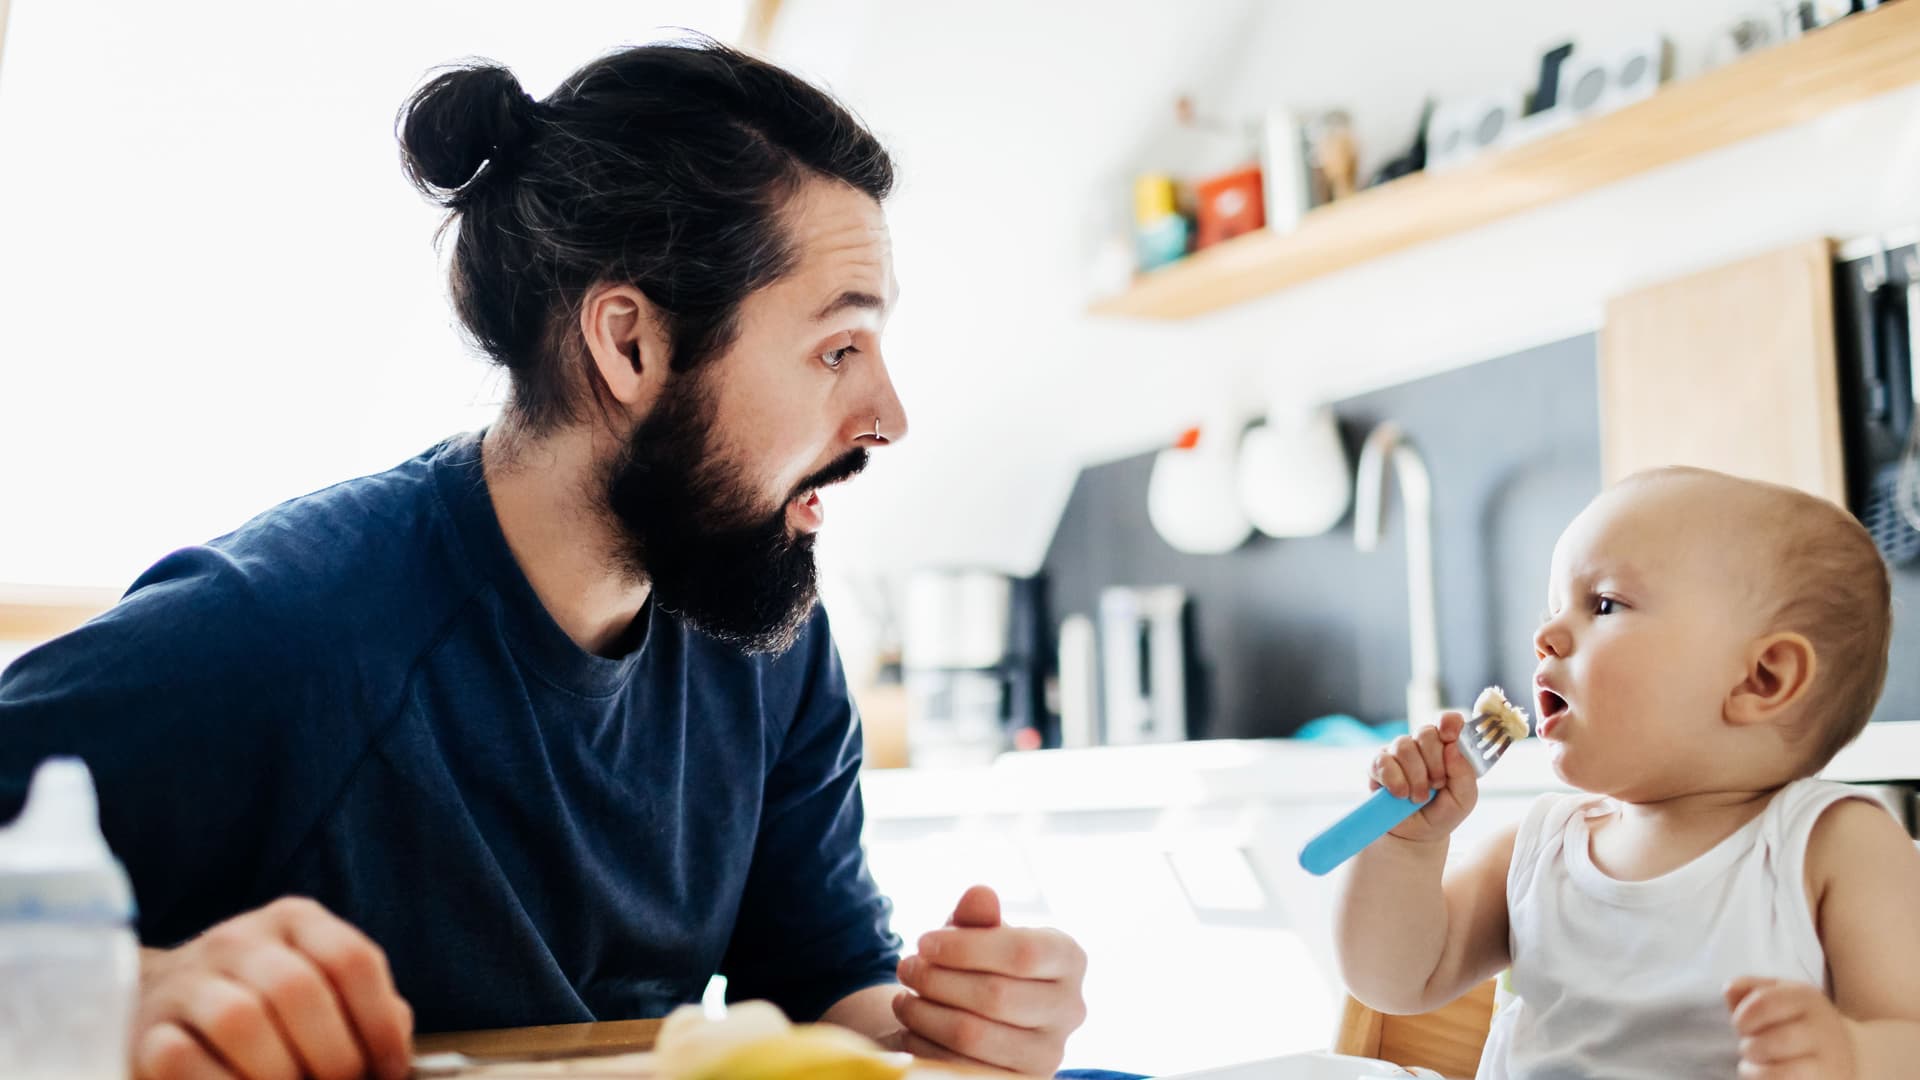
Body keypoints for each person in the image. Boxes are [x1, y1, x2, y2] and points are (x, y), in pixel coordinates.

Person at [0, 39, 1088, 1080]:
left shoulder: (768, 633)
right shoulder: (287, 631)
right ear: (630, 345)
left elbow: (822, 988)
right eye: (837, 348)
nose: (888, 415)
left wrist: (952, 1025)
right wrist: (118, 986)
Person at [1333, 466, 1920, 1078]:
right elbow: (1396, 981)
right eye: (1554, 608)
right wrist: (1404, 848)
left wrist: (1851, 1056)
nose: (1545, 636)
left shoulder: (1836, 849)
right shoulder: (1538, 851)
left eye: (1604, 604)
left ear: (1762, 679)